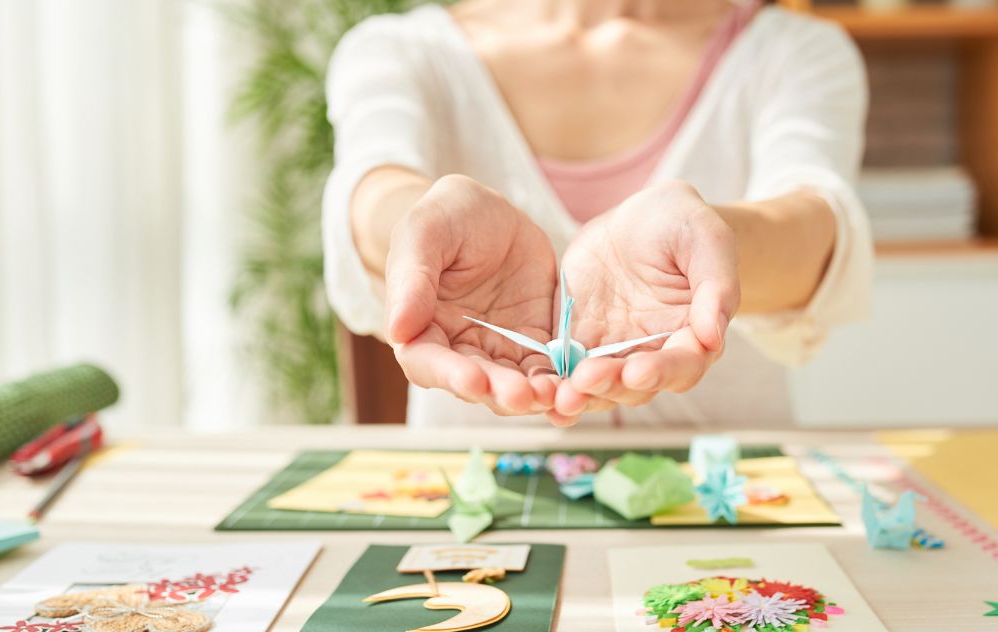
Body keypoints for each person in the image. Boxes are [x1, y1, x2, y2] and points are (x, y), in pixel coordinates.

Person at [322, 0, 872, 428]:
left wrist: (706, 242)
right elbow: (372, 181)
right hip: (476, 502)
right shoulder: (398, 49)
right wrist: (421, 224)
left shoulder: (792, 50)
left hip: (734, 503)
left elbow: (821, 230)